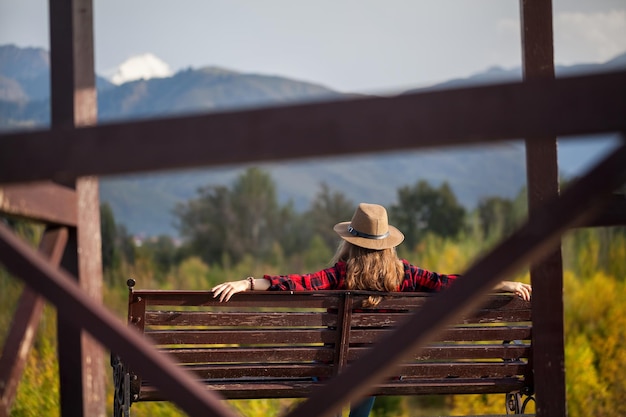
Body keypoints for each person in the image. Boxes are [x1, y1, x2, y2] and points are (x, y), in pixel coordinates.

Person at [212, 202, 532, 417]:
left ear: (350, 242)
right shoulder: (405, 275)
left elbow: (298, 282)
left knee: (332, 373)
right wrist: (499, 283)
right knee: (369, 370)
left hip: (332, 372)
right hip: (380, 372)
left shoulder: (340, 275)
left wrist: (249, 283)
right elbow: (449, 284)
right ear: (387, 243)